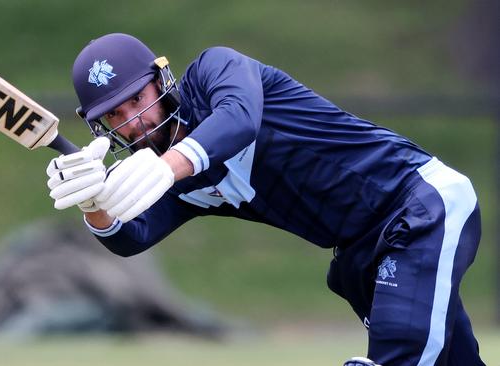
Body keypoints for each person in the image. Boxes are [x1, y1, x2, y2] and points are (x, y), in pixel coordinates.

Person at [45, 33, 485, 366]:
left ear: (161, 82)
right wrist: (94, 201)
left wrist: (167, 166)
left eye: (137, 100)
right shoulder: (178, 182)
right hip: (361, 253)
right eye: (115, 116)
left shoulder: (214, 73)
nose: (134, 123)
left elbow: (238, 120)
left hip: (418, 203)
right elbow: (132, 237)